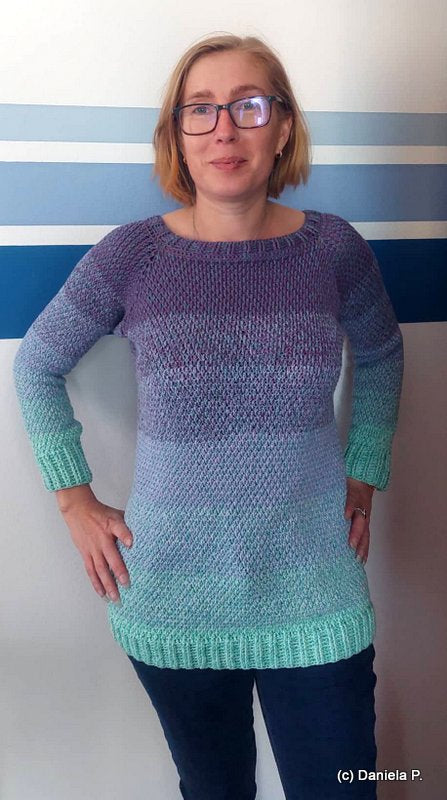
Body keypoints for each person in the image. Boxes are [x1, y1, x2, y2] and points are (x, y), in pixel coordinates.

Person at [13, 31, 404, 800]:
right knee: (214, 789)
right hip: (173, 592)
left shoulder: (333, 250)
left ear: (281, 127)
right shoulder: (132, 256)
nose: (224, 128)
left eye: (247, 106)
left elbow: (383, 354)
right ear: (177, 134)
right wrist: (74, 500)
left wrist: (364, 473)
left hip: (313, 586)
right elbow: (36, 366)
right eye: (200, 109)